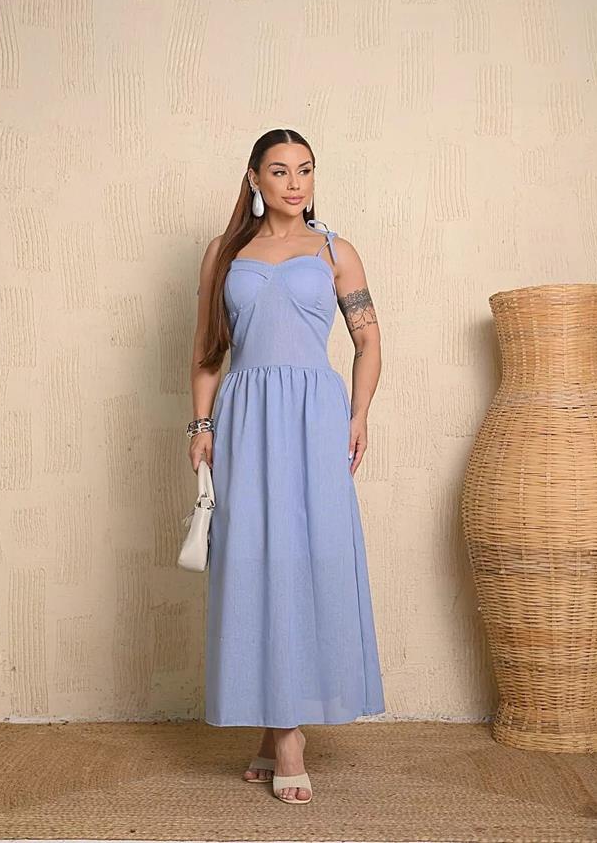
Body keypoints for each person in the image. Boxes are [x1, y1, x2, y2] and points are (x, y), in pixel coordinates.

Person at [187, 128, 385, 804]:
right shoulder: (224, 253)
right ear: (253, 178)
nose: (295, 183)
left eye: (305, 170)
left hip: (315, 418)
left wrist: (358, 414)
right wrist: (200, 424)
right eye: (279, 170)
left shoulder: (335, 251)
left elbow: (367, 340)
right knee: (253, 562)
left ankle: (284, 734)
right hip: (245, 418)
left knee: (309, 559)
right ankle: (282, 734)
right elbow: (208, 347)